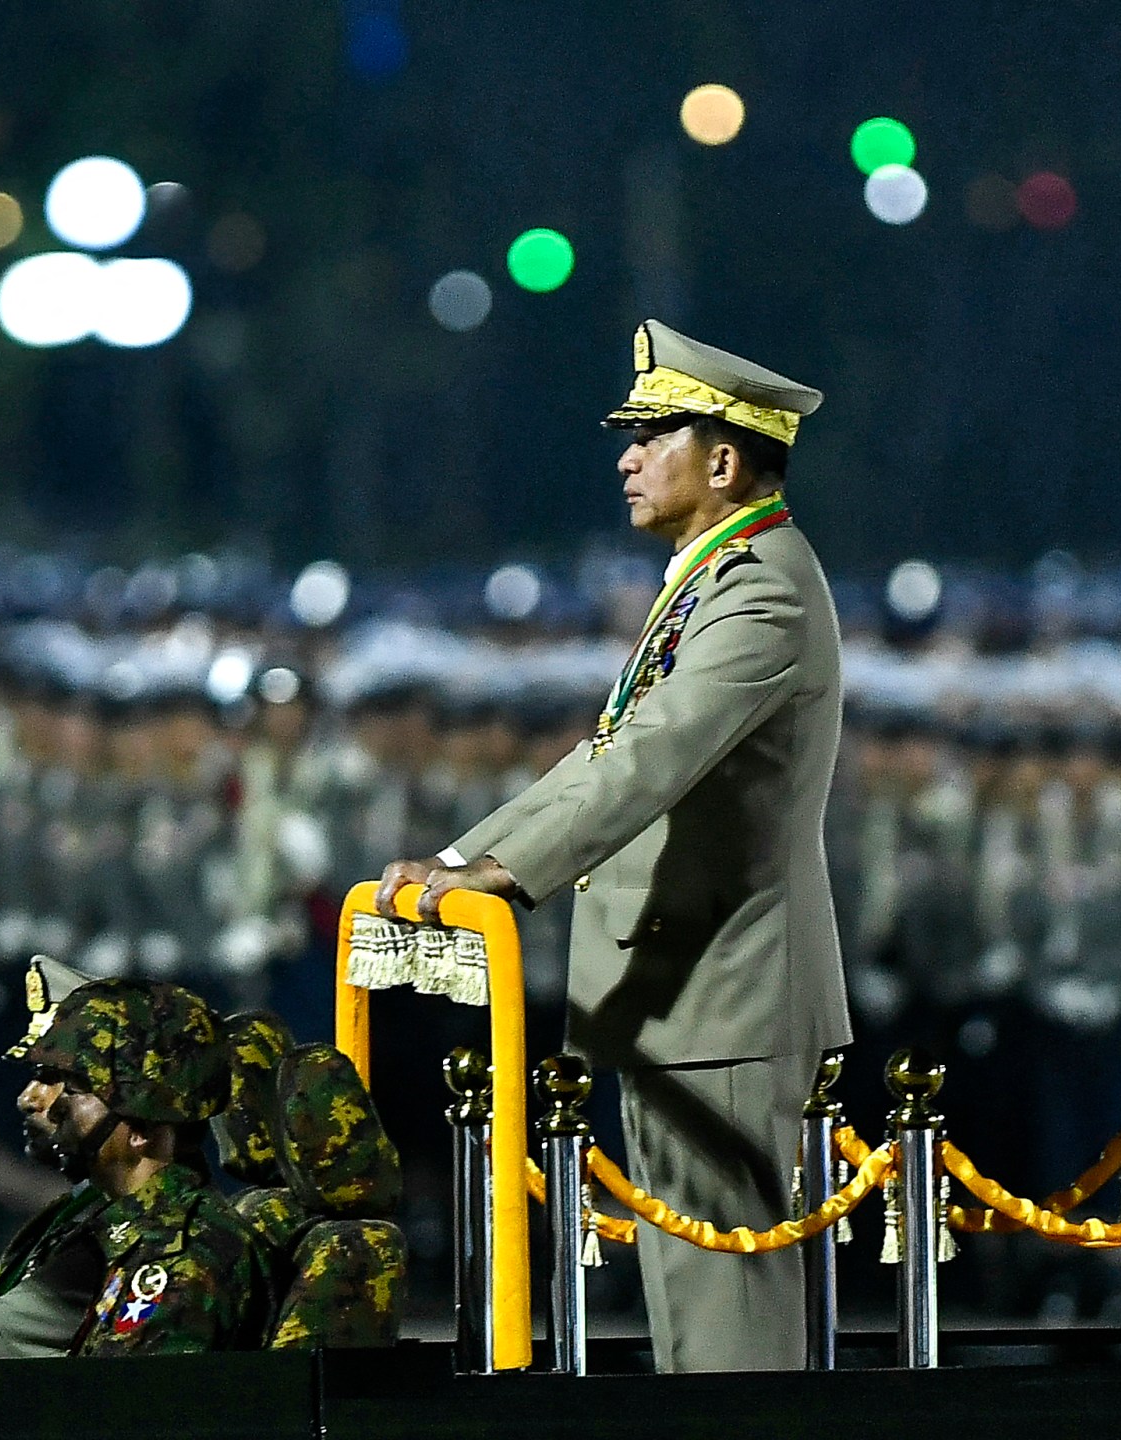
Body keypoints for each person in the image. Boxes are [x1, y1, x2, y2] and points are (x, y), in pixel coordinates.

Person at [377, 319, 849, 1373]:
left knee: (727, 1315)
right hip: (684, 992)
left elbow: (651, 759)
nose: (625, 459)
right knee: (688, 1305)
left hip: (723, 994)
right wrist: (463, 862)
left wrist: (501, 871)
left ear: (723, 460)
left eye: (651, 436)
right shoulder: (715, 574)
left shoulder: (761, 589)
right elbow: (607, 753)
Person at [0, 965, 269, 1361]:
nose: (30, 1099)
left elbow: (111, 1415)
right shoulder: (92, 1213)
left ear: (143, 1129)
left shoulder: (181, 1258)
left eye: (72, 1088)